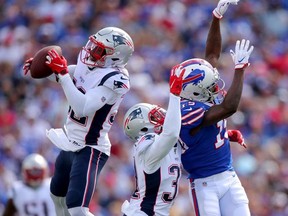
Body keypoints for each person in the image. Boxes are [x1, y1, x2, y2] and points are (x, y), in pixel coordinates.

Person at [23, 27, 134, 216]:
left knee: (77, 209)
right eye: (92, 45)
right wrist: (43, 67)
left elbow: (83, 107)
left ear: (115, 57)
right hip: (70, 142)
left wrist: (63, 74)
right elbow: (63, 75)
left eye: (98, 49)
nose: (91, 51)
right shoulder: (90, 66)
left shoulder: (116, 79)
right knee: (56, 197)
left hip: (91, 147)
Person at [175, 0, 254, 215]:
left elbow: (211, 56)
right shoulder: (187, 111)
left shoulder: (196, 95)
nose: (214, 85)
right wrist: (240, 70)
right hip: (205, 184)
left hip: (229, 176)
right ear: (196, 89)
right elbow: (229, 108)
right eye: (209, 83)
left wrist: (216, 17)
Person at [121, 64, 184, 215]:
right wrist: (175, 95)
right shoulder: (147, 144)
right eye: (154, 117)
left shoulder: (162, 143)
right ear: (142, 129)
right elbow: (172, 134)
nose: (162, 116)